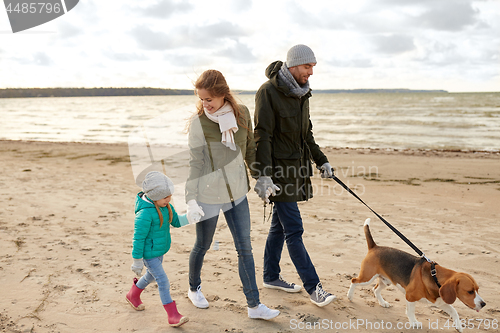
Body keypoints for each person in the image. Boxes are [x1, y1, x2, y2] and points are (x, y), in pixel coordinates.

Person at [185, 69, 280, 320]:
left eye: (209, 99)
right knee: (203, 245)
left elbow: (249, 150)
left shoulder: (242, 113)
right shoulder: (199, 123)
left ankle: (254, 305)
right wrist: (190, 198)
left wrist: (260, 177)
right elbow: (195, 163)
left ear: (222, 94)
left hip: (237, 193)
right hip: (207, 194)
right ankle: (194, 288)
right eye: (202, 99)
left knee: (244, 248)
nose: (205, 104)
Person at [253, 44, 336, 307]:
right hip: (278, 174)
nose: (311, 72)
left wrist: (321, 161)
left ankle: (270, 276)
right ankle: (314, 288)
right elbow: (262, 135)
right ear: (293, 65)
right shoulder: (268, 92)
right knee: (294, 229)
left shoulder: (303, 94)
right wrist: (263, 175)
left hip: (297, 170)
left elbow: (306, 135)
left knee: (279, 227)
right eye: (306, 67)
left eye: (313, 67)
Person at [126, 171, 196, 327]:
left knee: (151, 276)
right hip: (148, 254)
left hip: (159, 251)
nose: (169, 199)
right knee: (163, 281)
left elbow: (176, 222)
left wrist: (191, 217)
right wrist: (137, 261)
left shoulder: (165, 206)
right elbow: (138, 239)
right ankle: (173, 315)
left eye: (169, 196)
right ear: (154, 196)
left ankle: (133, 294)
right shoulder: (144, 214)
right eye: (165, 197)